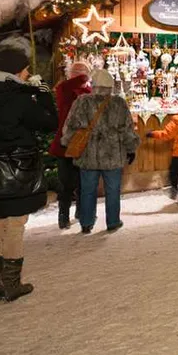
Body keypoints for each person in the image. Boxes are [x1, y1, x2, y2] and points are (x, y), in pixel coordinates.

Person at [0, 46, 57, 302]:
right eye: (26, 68)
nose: (29, 72)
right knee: (16, 225)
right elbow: (48, 123)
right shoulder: (16, 97)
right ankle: (11, 284)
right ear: (16, 70)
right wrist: (42, 95)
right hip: (17, 168)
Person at [62, 69, 139, 234]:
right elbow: (127, 129)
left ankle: (86, 223)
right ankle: (113, 221)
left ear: (93, 84)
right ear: (110, 85)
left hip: (87, 154)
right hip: (113, 154)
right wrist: (131, 148)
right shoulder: (118, 103)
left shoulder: (81, 102)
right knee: (112, 190)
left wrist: (67, 144)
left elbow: (70, 127)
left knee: (88, 190)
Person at [48, 61, 92, 229]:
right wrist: (85, 74)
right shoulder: (64, 89)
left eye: (81, 72)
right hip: (65, 145)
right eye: (75, 72)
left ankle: (81, 213)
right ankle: (63, 215)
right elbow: (69, 86)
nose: (79, 75)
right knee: (66, 183)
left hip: (83, 145)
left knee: (83, 182)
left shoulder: (89, 92)